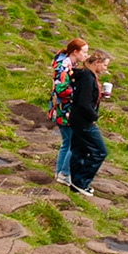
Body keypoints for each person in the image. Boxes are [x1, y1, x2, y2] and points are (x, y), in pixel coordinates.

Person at [68, 50, 112, 196]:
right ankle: (81, 183)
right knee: (100, 152)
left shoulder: (85, 74)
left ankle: (75, 183)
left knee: (79, 149)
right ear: (97, 62)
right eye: (105, 65)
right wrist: (94, 116)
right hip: (83, 121)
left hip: (76, 118)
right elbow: (83, 103)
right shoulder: (88, 78)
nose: (106, 68)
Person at [50, 38, 88, 183]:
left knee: (67, 142)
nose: (86, 55)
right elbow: (60, 90)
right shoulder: (63, 68)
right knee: (75, 142)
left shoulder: (69, 64)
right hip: (65, 110)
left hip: (61, 108)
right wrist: (81, 93)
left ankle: (59, 173)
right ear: (75, 52)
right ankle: (65, 174)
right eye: (84, 52)